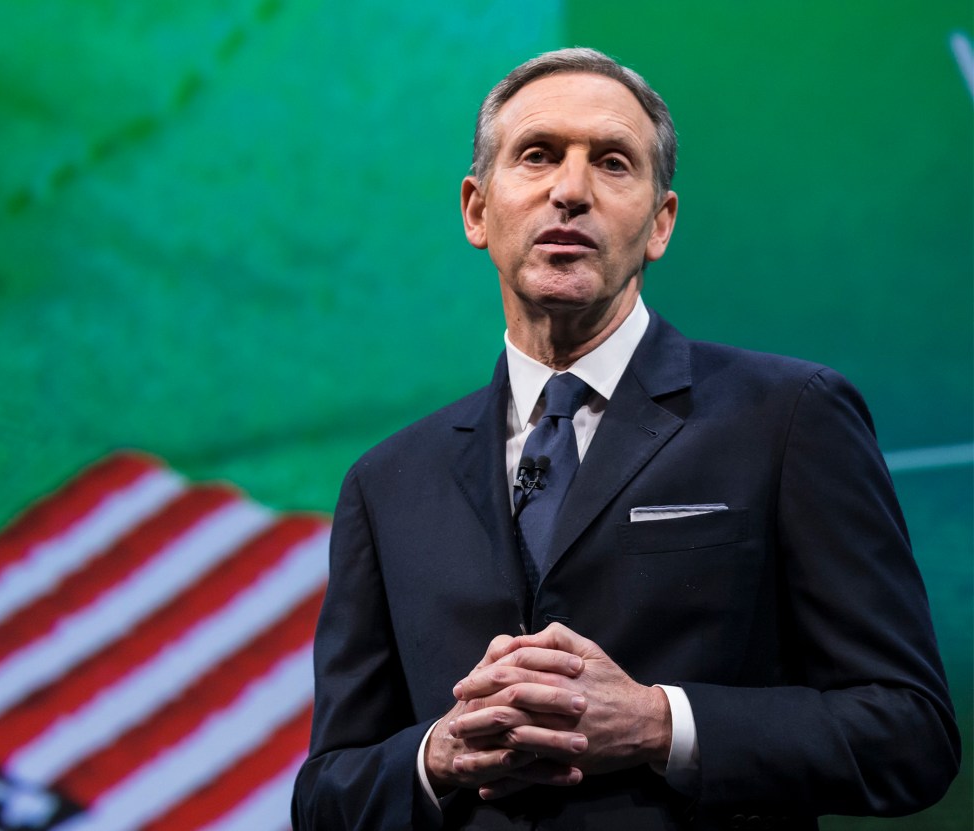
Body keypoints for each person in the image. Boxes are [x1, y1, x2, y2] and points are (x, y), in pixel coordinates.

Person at [291, 47, 959, 830]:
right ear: (477, 209)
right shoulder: (387, 482)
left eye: (612, 163)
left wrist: (656, 722)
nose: (569, 191)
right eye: (537, 155)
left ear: (660, 223)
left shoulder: (790, 417)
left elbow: (909, 733)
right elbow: (326, 794)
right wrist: (437, 755)